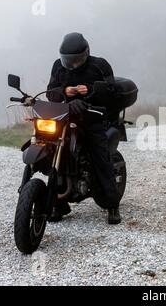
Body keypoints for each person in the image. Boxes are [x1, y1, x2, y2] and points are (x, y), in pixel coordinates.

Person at [46, 32, 121, 225]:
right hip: (64, 118)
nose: (72, 64)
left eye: (76, 60)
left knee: (101, 158)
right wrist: (64, 91)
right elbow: (50, 92)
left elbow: (112, 92)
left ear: (86, 53)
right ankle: (58, 204)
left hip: (92, 119)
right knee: (54, 153)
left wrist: (92, 90)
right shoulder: (57, 66)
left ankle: (112, 205)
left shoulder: (100, 65)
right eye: (68, 60)